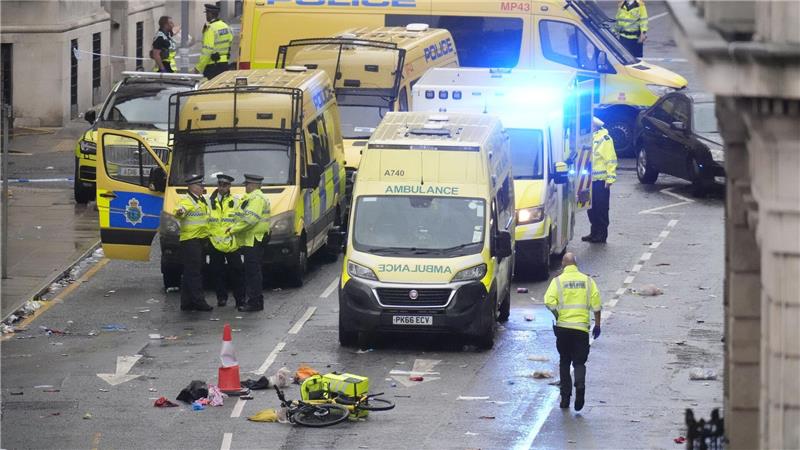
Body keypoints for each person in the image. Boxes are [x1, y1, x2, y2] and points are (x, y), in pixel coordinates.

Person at [544, 253, 602, 411]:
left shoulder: (557, 281)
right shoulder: (588, 281)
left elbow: (548, 301)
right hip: (581, 330)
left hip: (563, 328)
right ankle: (580, 386)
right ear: (576, 264)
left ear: (563, 264)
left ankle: (565, 398)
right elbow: (596, 304)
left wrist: (558, 314)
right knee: (579, 362)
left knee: (564, 361)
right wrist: (597, 325)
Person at [227, 174, 271, 312]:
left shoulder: (256, 199)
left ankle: (254, 302)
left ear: (253, 185)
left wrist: (233, 229)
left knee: (253, 273)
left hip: (254, 240)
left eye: (247, 184)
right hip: (252, 239)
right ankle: (255, 300)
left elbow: (250, 220)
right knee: (253, 271)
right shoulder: (252, 198)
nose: (245, 186)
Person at [174, 174, 213, 311]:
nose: (202, 188)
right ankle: (199, 301)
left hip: (199, 240)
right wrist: (180, 212)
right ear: (191, 187)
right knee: (194, 272)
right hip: (190, 240)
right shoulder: (187, 201)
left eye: (202, 185)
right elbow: (180, 211)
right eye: (200, 186)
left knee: (189, 272)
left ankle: (186, 302)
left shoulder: (200, 200)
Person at [208, 173, 245, 307]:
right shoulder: (208, 201)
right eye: (220, 185)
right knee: (216, 272)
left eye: (225, 185)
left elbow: (241, 219)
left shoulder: (236, 201)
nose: (222, 187)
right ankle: (221, 298)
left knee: (237, 272)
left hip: (231, 243)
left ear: (229, 186)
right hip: (214, 242)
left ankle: (240, 300)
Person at [582, 117, 617, 244]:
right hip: (588, 180)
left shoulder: (604, 139)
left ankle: (602, 235)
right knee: (590, 208)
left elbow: (611, 159)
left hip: (600, 181)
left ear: (595, 126)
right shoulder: (587, 137)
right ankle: (594, 232)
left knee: (601, 208)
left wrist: (610, 178)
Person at [195, 3, 233, 79]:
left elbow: (207, 50)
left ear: (210, 14)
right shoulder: (226, 26)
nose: (206, 16)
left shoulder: (211, 28)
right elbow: (230, 41)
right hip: (224, 64)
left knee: (208, 88)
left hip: (212, 66)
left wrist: (199, 67)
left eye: (207, 13)